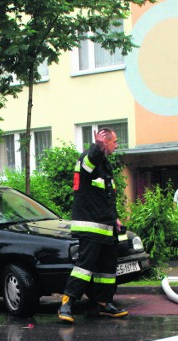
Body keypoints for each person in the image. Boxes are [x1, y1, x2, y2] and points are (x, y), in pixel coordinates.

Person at [58, 128, 128, 323]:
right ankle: (67, 303)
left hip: (106, 226)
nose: (116, 145)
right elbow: (87, 167)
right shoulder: (88, 159)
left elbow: (106, 197)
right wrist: (97, 148)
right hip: (91, 227)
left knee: (107, 268)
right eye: (114, 141)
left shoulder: (105, 165)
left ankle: (104, 303)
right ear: (104, 142)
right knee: (84, 267)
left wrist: (115, 218)